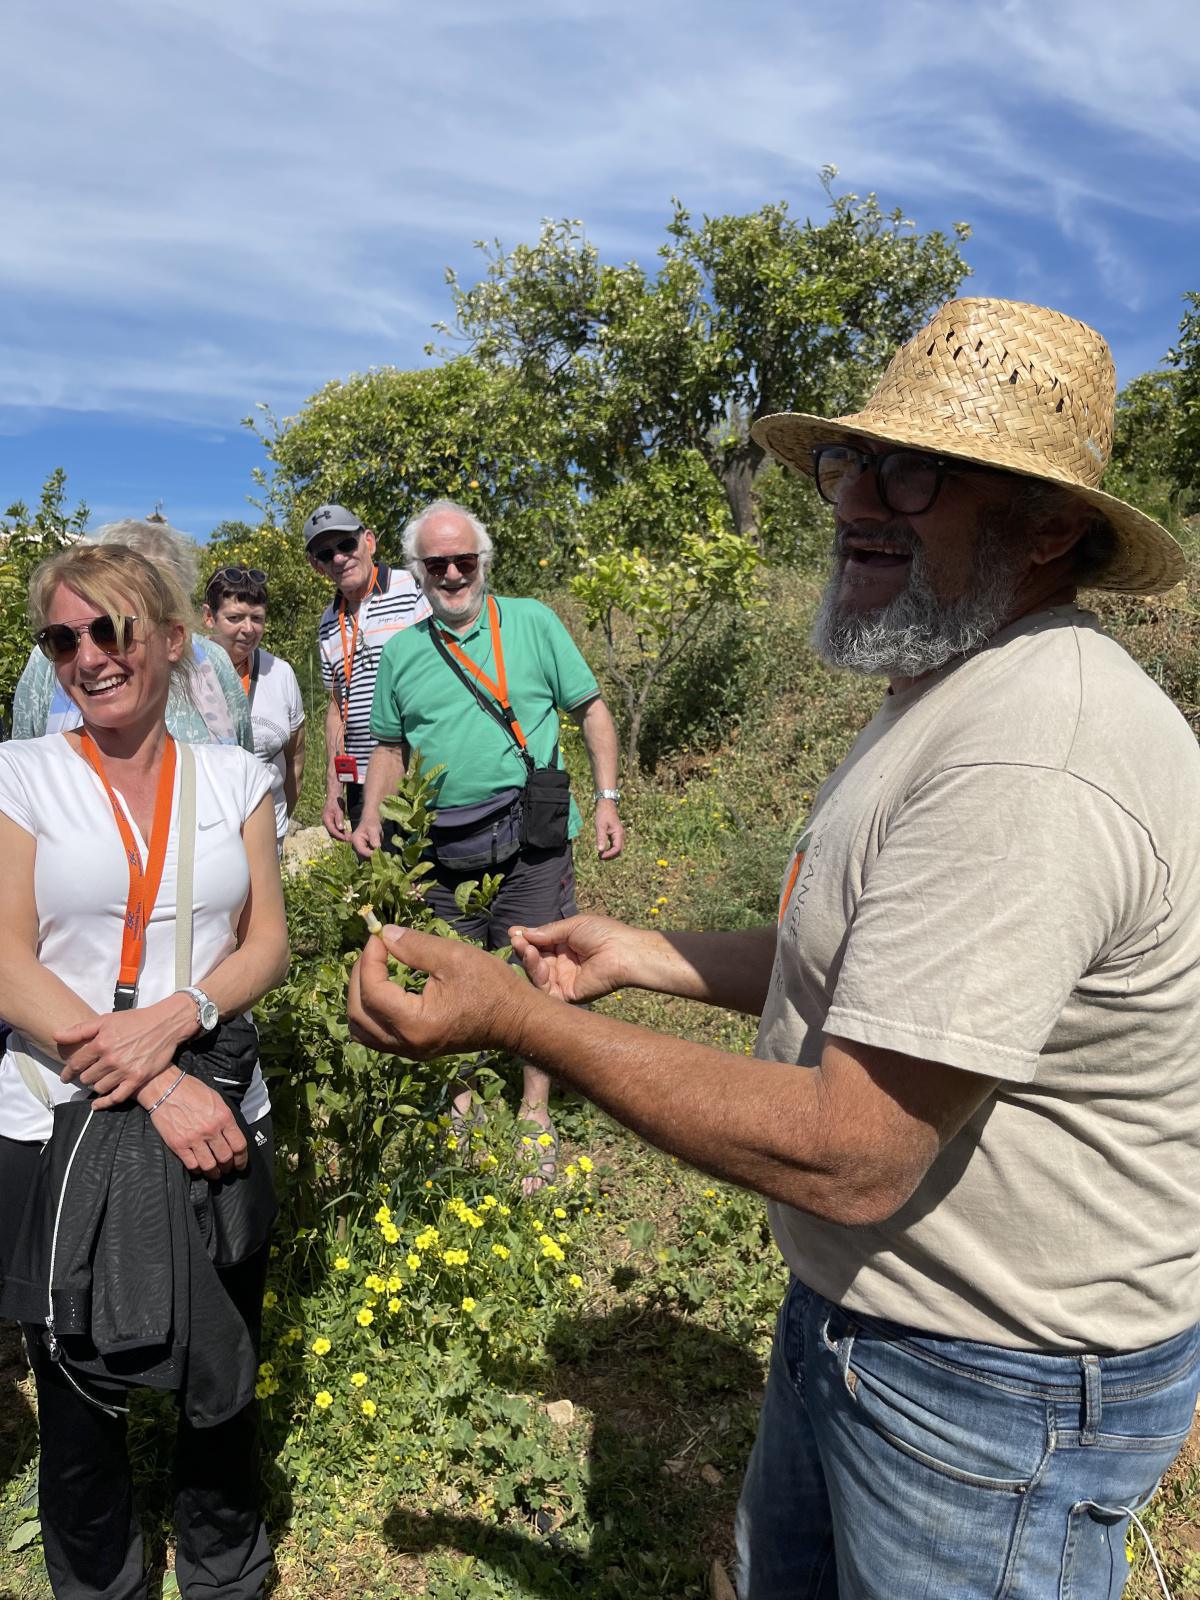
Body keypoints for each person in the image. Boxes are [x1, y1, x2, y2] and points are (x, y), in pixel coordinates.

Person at [347, 299, 1200, 1598]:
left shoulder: (1029, 753)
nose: (855, 500)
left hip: (989, 1387)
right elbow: (880, 960)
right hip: (880, 1330)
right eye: (854, 464)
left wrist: (526, 1025)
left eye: (915, 474)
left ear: (1049, 528)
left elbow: (854, 1152)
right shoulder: (954, 683)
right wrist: (643, 954)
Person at [0, 543, 289, 1600]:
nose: (89, 655)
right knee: (77, 1390)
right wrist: (154, 1079)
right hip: (57, 1121)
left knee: (223, 1366)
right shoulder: (19, 774)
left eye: (112, 629)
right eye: (62, 638)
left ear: (174, 640)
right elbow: (4, 960)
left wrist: (184, 1014)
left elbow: (266, 941)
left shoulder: (236, 777)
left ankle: (224, 1562)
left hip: (219, 1108)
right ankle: (100, 1580)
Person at [350, 499, 623, 1187]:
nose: (451, 573)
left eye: (463, 560)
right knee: (451, 971)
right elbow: (387, 748)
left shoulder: (530, 622)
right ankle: (464, 1108)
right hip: (442, 845)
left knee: (540, 966)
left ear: (483, 562)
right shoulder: (403, 652)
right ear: (416, 571)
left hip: (533, 835)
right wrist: (373, 818)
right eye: (436, 563)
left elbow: (590, 708)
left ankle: (535, 1112)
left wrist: (608, 799)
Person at [12, 517, 254, 751]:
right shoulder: (53, 655)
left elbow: (243, 754)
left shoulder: (213, 660)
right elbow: (25, 748)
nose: (88, 659)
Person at [305, 503, 429, 840]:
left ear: (369, 541)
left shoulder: (415, 588)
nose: (339, 558)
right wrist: (334, 791)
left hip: (419, 774)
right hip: (361, 783)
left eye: (346, 545)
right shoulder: (328, 621)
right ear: (317, 565)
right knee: (378, 887)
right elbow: (336, 708)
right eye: (326, 554)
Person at [204, 564, 306, 853]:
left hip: (267, 835)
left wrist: (280, 821)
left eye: (257, 618)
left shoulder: (281, 673)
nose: (248, 629)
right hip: (205, 839)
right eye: (234, 618)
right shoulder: (184, 675)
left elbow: (295, 756)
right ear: (208, 617)